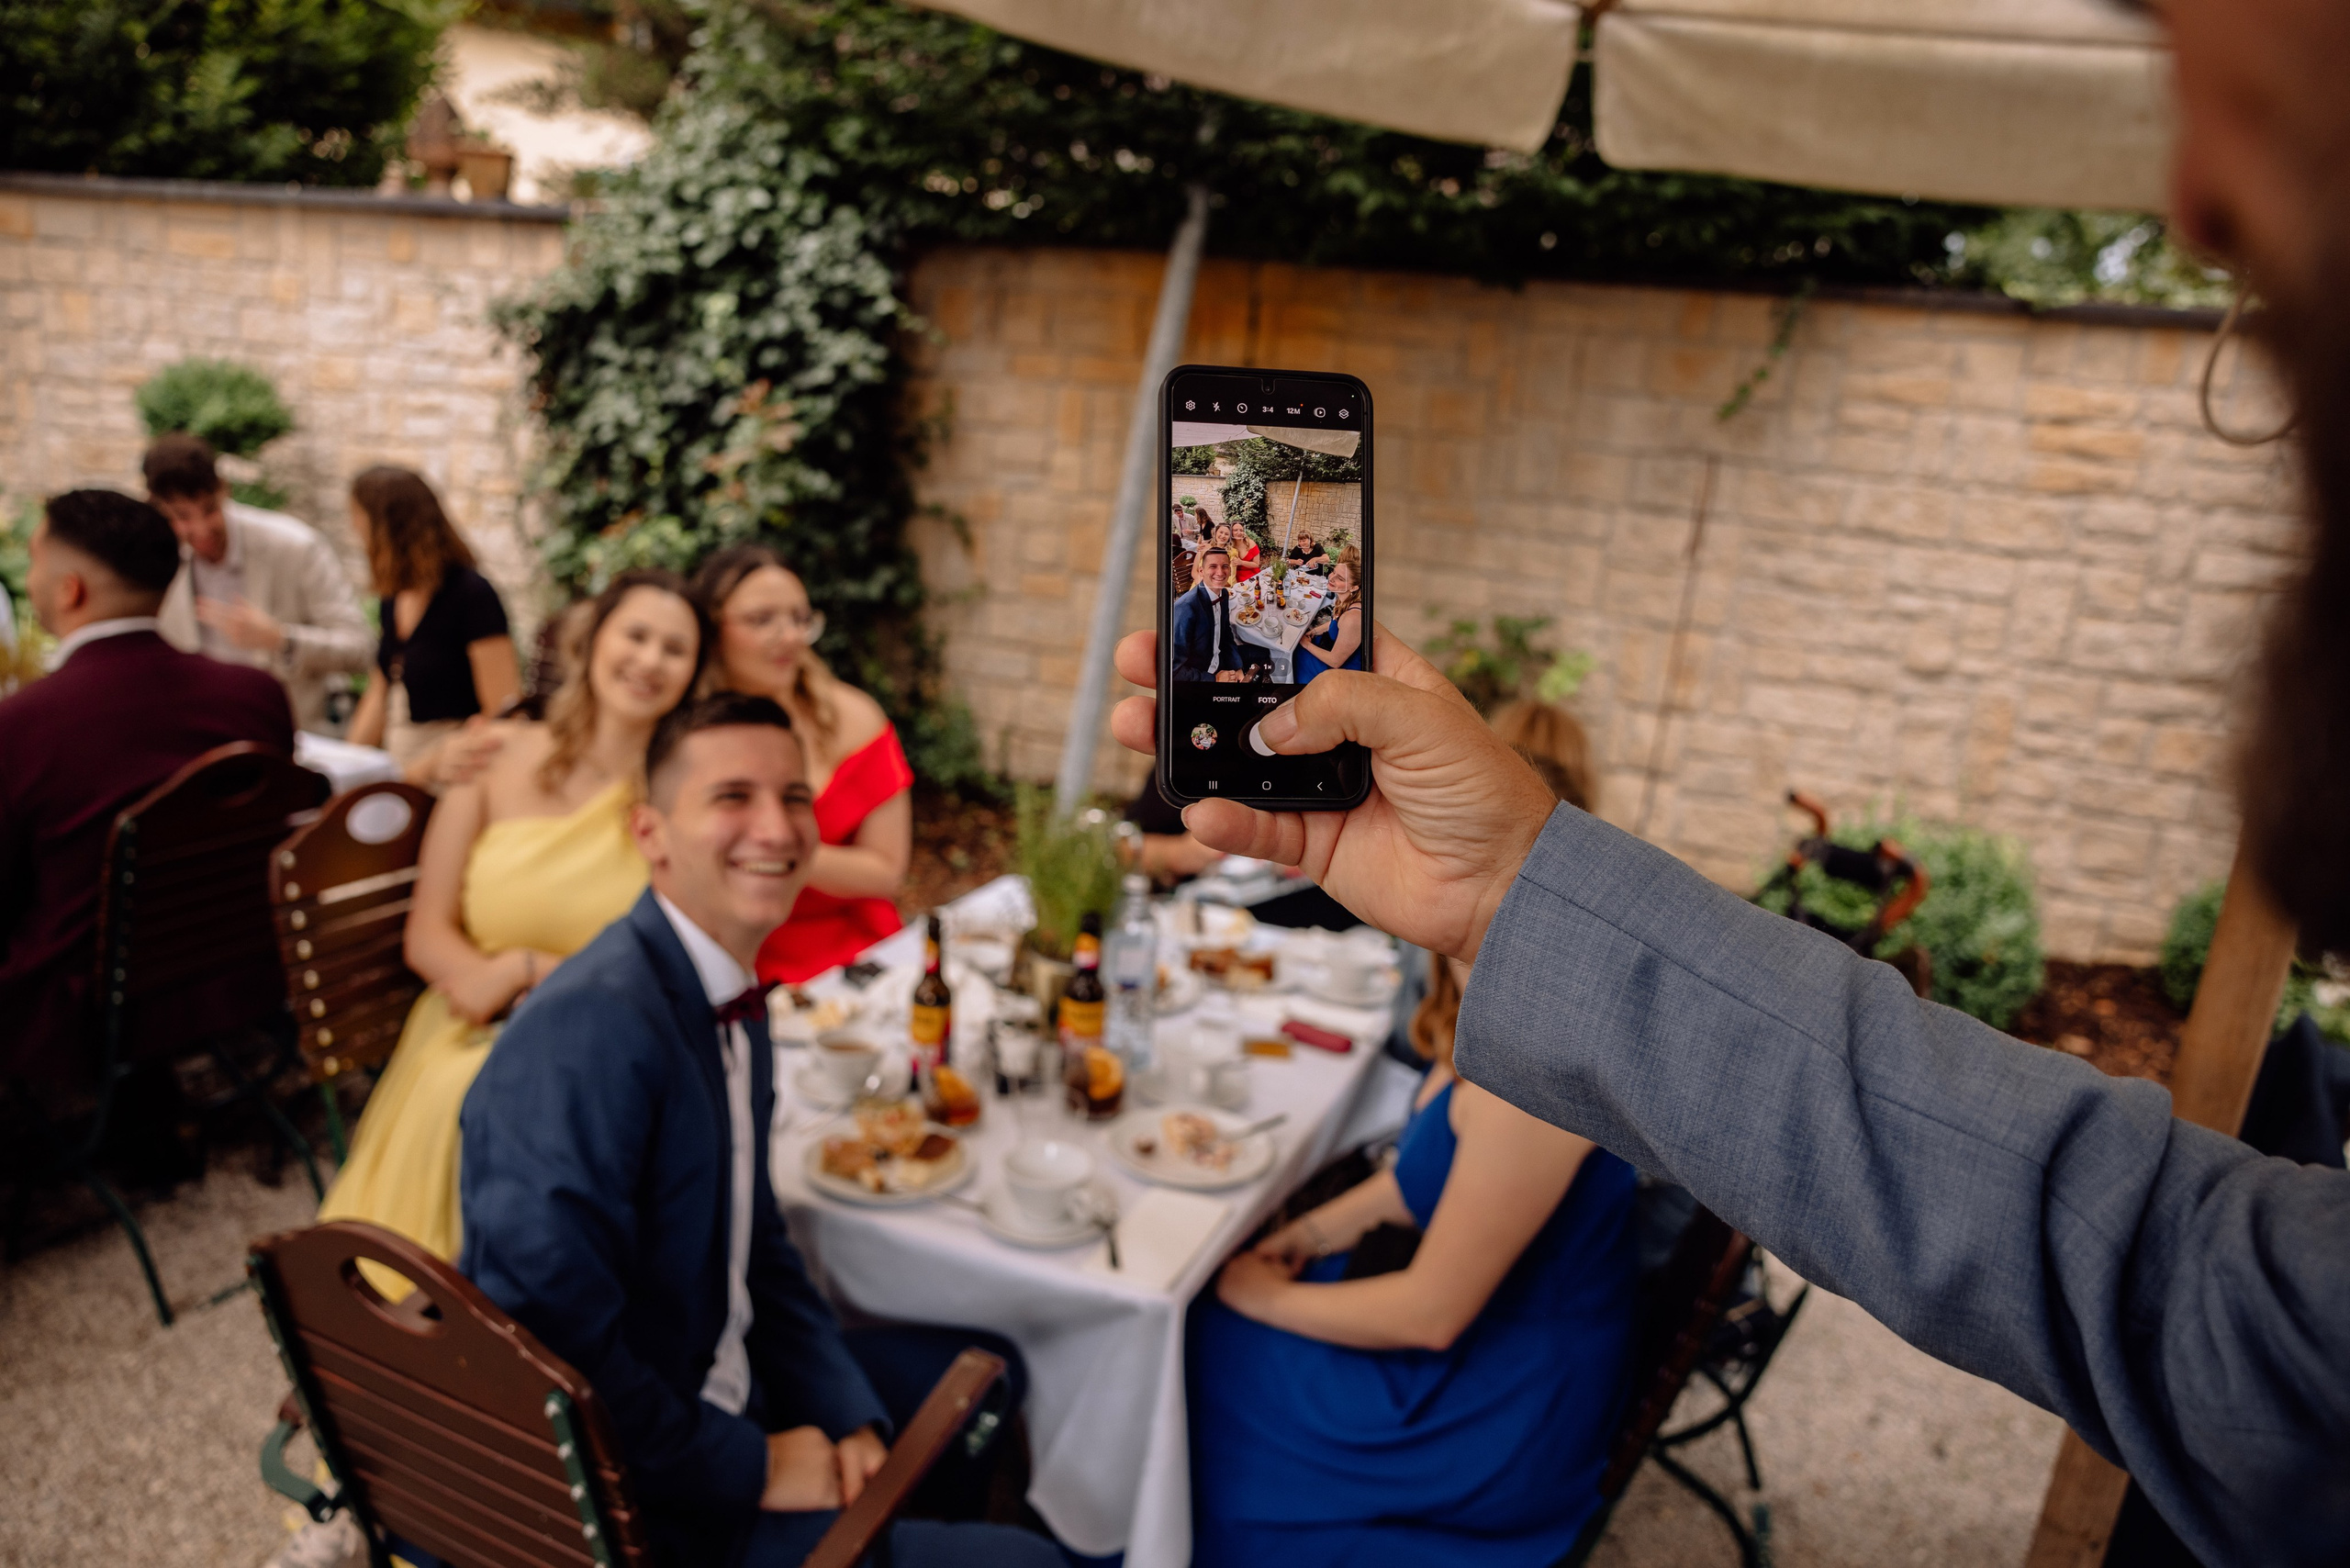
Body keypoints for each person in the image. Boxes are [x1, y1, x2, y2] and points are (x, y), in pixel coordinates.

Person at [459, 693, 1057, 1568]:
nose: (777, 830)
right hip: (652, 1495)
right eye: (732, 797)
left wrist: (840, 1407)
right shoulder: (586, 1036)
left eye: (796, 799)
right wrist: (753, 1464)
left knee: (991, 1375)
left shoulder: (732, 989)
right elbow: (550, 1343)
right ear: (651, 834)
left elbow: (756, 1244)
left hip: (733, 1379)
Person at [1189, 937, 1634, 1565]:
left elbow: (1431, 1315)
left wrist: (1268, 1298)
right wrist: (1303, 1236)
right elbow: (1418, 1183)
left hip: (1502, 1393)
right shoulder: (1480, 1009)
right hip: (1470, 1320)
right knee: (1221, 1312)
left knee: (1214, 1340)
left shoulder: (1532, 1079)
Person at [319, 570, 704, 1271]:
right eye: (637, 635)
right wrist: (498, 982)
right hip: (475, 1021)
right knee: (471, 1090)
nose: (649, 660)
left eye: (675, 649)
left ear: (693, 674)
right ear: (594, 642)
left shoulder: (687, 799)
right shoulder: (494, 754)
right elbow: (427, 933)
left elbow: (684, 959)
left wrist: (539, 977)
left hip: (610, 1039)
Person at [0, 491, 292, 1087]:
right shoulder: (254, 696)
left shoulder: (24, 725)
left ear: (69, 589)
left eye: (33, 563)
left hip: (74, 1007)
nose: (28, 580)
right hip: (230, 978)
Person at [690, 544, 912, 985]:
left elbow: (887, 872)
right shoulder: (685, 734)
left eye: (799, 618)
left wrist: (788, 853)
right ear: (713, 630)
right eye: (762, 620)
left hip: (856, 954)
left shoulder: (855, 718)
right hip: (731, 961)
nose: (789, 636)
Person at [141, 433, 372, 734]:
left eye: (210, 509)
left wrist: (281, 640)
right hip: (200, 735)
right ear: (157, 508)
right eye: (182, 516)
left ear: (224, 489)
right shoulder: (155, 559)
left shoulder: (295, 546)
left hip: (293, 733)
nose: (200, 528)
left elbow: (361, 649)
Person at [342, 466, 520, 788]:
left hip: (455, 772)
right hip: (403, 772)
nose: (355, 531)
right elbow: (379, 692)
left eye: (359, 519)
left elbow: (504, 709)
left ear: (386, 528)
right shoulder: (393, 597)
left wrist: (431, 766)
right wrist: (344, 768)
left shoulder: (472, 595)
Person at [1171, 547, 1267, 684]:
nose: (1220, 572)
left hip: (1220, 657)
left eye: (1225, 566)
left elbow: (1226, 635)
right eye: (1213, 567)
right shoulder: (1185, 608)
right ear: (1201, 571)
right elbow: (1173, 670)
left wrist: (1236, 666)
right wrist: (1214, 679)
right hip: (1203, 672)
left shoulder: (1224, 594)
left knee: (1265, 654)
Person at [1290, 555, 1363, 684]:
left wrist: (1306, 644)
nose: (1331, 578)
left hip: (1339, 672)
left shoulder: (1353, 617)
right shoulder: (1345, 601)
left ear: (1354, 587)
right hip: (1328, 646)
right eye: (1334, 572)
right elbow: (1336, 623)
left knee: (1293, 656)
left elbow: (1335, 661)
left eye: (1340, 578)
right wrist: (1315, 631)